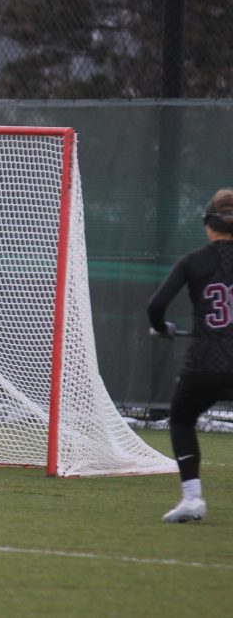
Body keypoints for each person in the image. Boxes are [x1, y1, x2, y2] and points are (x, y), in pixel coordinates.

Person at [148, 187, 233, 523]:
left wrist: (162, 327)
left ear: (208, 223)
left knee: (182, 420)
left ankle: (192, 499)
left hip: (204, 363)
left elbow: (156, 306)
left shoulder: (193, 261)